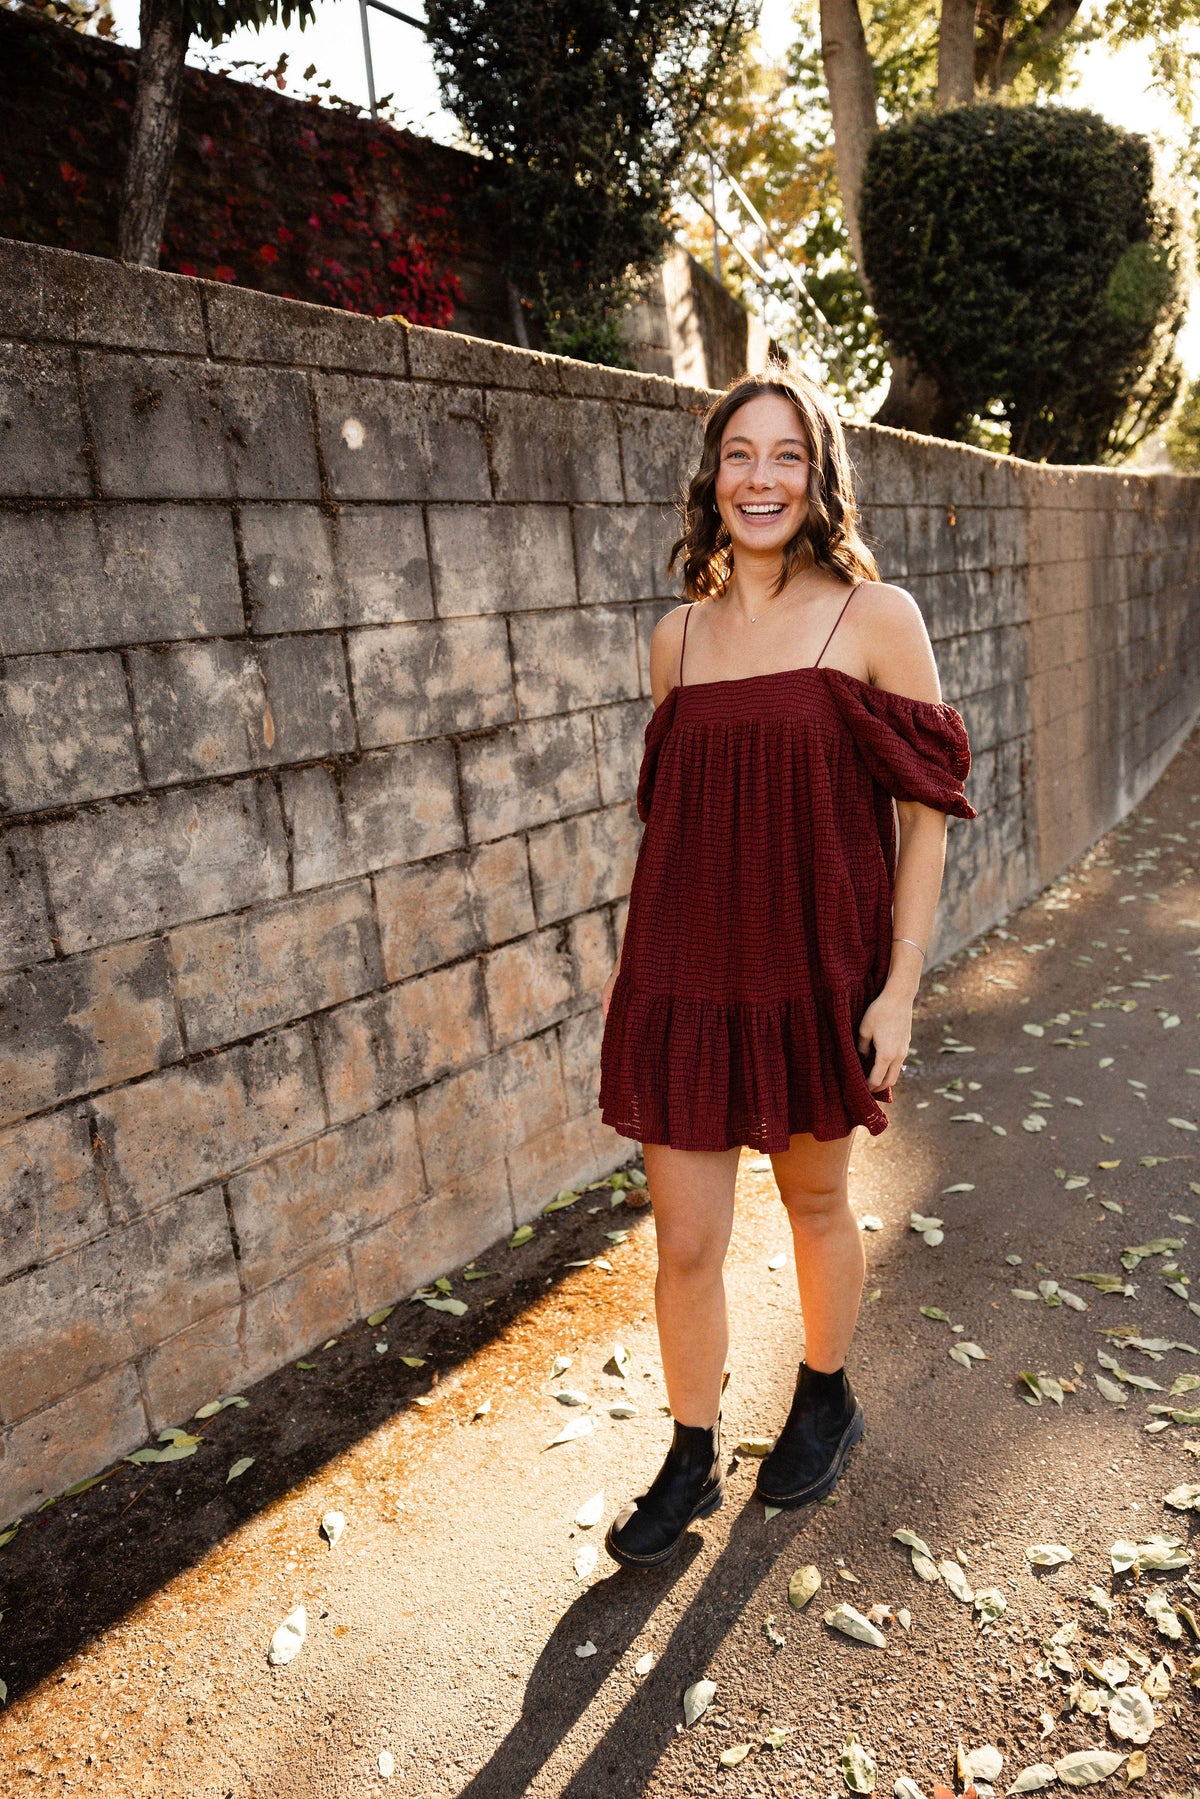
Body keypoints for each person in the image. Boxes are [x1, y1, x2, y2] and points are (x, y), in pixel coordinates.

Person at [597, 366, 977, 1569]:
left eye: (787, 456)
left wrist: (900, 983)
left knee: (816, 1201)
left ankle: (825, 1394)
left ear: (819, 479)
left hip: (820, 969)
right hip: (686, 974)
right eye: (739, 455)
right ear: (711, 478)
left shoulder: (874, 617)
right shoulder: (678, 639)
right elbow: (665, 825)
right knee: (686, 1244)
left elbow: (927, 812)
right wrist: (626, 978)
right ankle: (690, 1449)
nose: (762, 478)